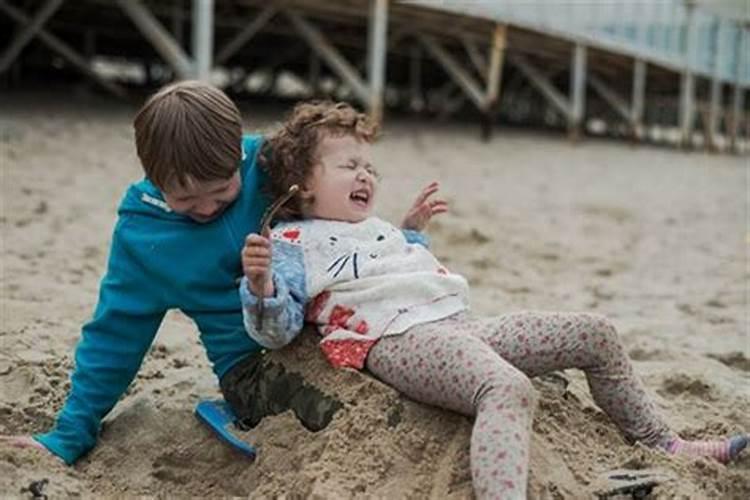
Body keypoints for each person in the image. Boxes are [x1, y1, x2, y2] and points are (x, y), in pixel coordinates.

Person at [239, 101, 749, 499]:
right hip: (397, 339)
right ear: (301, 183)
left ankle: (664, 442)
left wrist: (411, 233)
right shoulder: (291, 244)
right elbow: (278, 328)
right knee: (505, 388)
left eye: (370, 166)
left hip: (458, 325)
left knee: (595, 332)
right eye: (349, 165)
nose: (367, 175)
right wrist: (262, 289)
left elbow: (396, 269)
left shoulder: (373, 229)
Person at [0, 81, 343, 465]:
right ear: (153, 178)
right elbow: (115, 335)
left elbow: (340, 178)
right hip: (252, 368)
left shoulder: (270, 164)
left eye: (221, 190)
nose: (207, 208)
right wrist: (70, 432)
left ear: (238, 154)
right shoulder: (144, 236)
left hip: (328, 325)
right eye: (184, 199)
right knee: (341, 409)